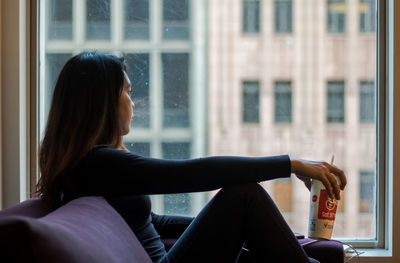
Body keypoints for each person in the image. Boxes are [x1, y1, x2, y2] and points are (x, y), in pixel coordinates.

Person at [36, 52, 346, 263]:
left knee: (252, 216)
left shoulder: (90, 166)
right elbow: (191, 174)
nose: (134, 104)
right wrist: (291, 165)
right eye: (127, 93)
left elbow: (152, 222)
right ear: (102, 104)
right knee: (243, 196)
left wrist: (256, 231)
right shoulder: (97, 164)